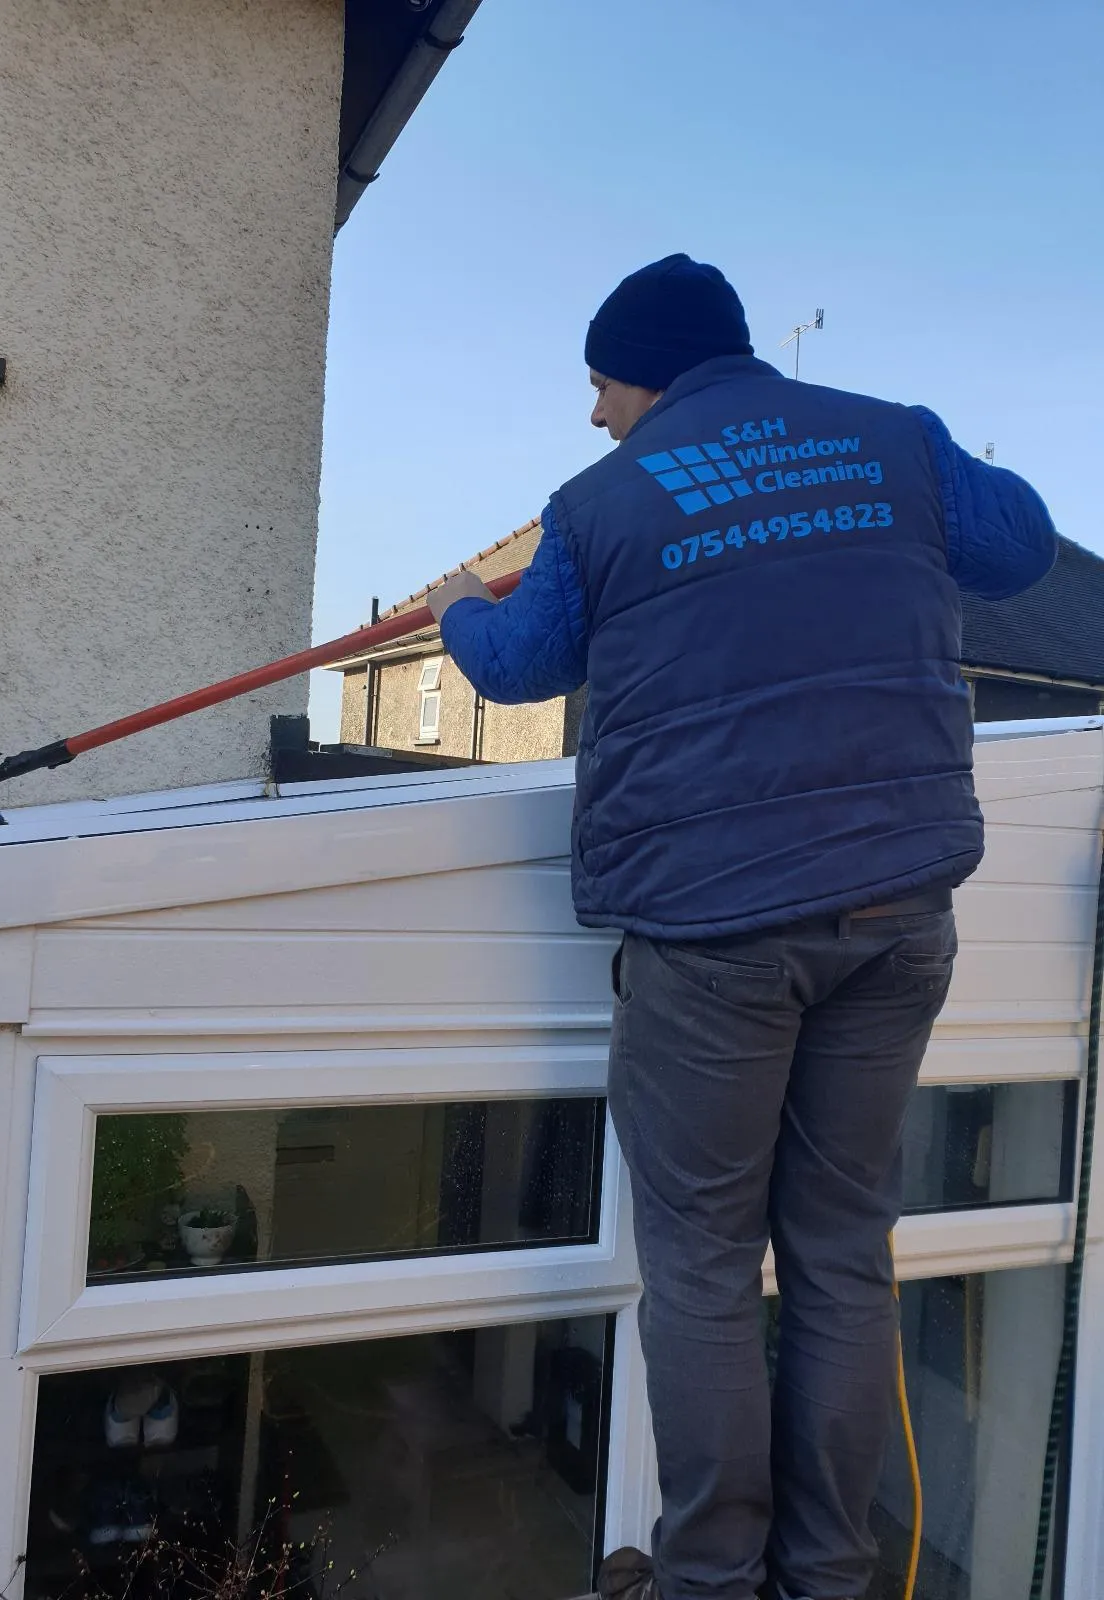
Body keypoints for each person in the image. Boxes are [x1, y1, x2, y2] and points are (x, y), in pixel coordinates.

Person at [427, 254, 1058, 1600]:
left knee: (707, 1263)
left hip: (713, 935)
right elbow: (1018, 546)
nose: (596, 416)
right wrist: (919, 465)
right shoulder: (893, 444)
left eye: (599, 385)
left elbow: (521, 665)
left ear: (645, 372)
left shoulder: (600, 506)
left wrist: (454, 611)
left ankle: (711, 1580)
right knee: (839, 1249)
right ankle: (826, 1577)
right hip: (897, 916)